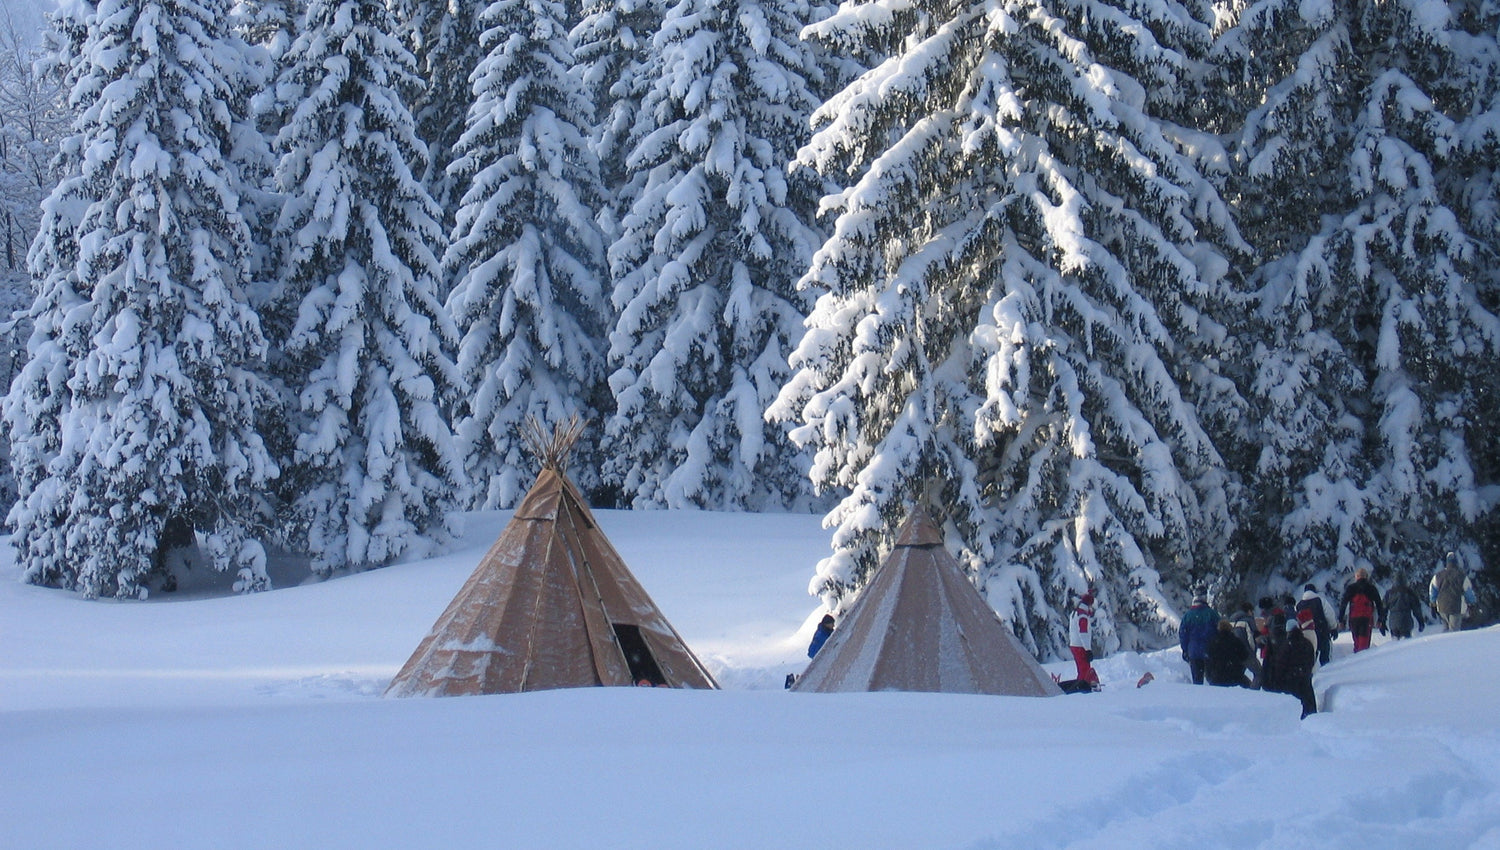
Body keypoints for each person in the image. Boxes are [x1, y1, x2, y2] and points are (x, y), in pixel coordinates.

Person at [1277, 612, 1318, 718]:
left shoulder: (1286, 646)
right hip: (1305, 678)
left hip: (1291, 681)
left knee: (1295, 709)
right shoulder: (1307, 643)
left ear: (1287, 631)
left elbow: (1281, 663)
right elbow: (1312, 659)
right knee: (1309, 704)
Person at [1338, 568, 1386, 653]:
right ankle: (1361, 662)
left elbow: (1343, 604)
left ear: (1356, 577)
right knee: (1364, 645)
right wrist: (1380, 619)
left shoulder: (1351, 588)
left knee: (1356, 643)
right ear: (1366, 577)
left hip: (1353, 619)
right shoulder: (1371, 588)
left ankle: (1357, 659)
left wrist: (1341, 620)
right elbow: (1379, 604)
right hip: (1366, 619)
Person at [1179, 595, 1220, 685]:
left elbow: (1183, 635)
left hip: (1193, 651)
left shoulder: (1187, 616)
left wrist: (1185, 650)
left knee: (1197, 679)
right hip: (1210, 650)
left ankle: (1198, 696)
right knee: (1212, 679)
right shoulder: (1212, 614)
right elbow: (1220, 630)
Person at [1430, 552, 1476, 632]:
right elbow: (1468, 591)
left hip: (1442, 607)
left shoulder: (1438, 576)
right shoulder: (1462, 576)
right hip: (1456, 607)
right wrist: (1472, 603)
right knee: (1454, 632)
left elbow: (1433, 590)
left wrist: (1433, 604)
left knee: (1446, 629)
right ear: (1456, 562)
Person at [1205, 619, 1257, 687]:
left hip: (1216, 676)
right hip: (1234, 675)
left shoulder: (1213, 642)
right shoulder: (1235, 641)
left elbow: (1208, 659)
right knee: (1249, 685)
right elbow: (1244, 655)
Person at [1296, 584, 1337, 665]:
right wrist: (1333, 628)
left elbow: (1297, 620)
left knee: (1310, 658)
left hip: (1307, 635)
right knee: (1325, 658)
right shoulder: (1321, 601)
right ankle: (1327, 671)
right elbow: (1330, 615)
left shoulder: (1299, 605)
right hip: (1322, 632)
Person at [1069, 592, 1100, 685]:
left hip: (1074, 645)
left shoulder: (1075, 612)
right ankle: (1083, 689)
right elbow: (1083, 633)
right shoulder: (1083, 616)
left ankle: (1081, 686)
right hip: (1080, 647)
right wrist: (1088, 650)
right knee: (1085, 671)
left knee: (1081, 670)